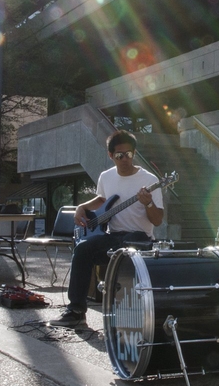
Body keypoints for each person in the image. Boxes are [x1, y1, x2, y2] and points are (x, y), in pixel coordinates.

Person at [51, 130, 164, 327]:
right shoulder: (106, 177)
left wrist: (148, 204)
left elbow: (158, 220)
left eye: (129, 154)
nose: (125, 159)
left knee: (131, 241)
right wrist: (82, 207)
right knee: (82, 250)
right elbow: (103, 199)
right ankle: (76, 310)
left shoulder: (149, 181)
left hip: (140, 240)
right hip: (112, 237)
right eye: (120, 155)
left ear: (134, 153)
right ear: (110, 155)